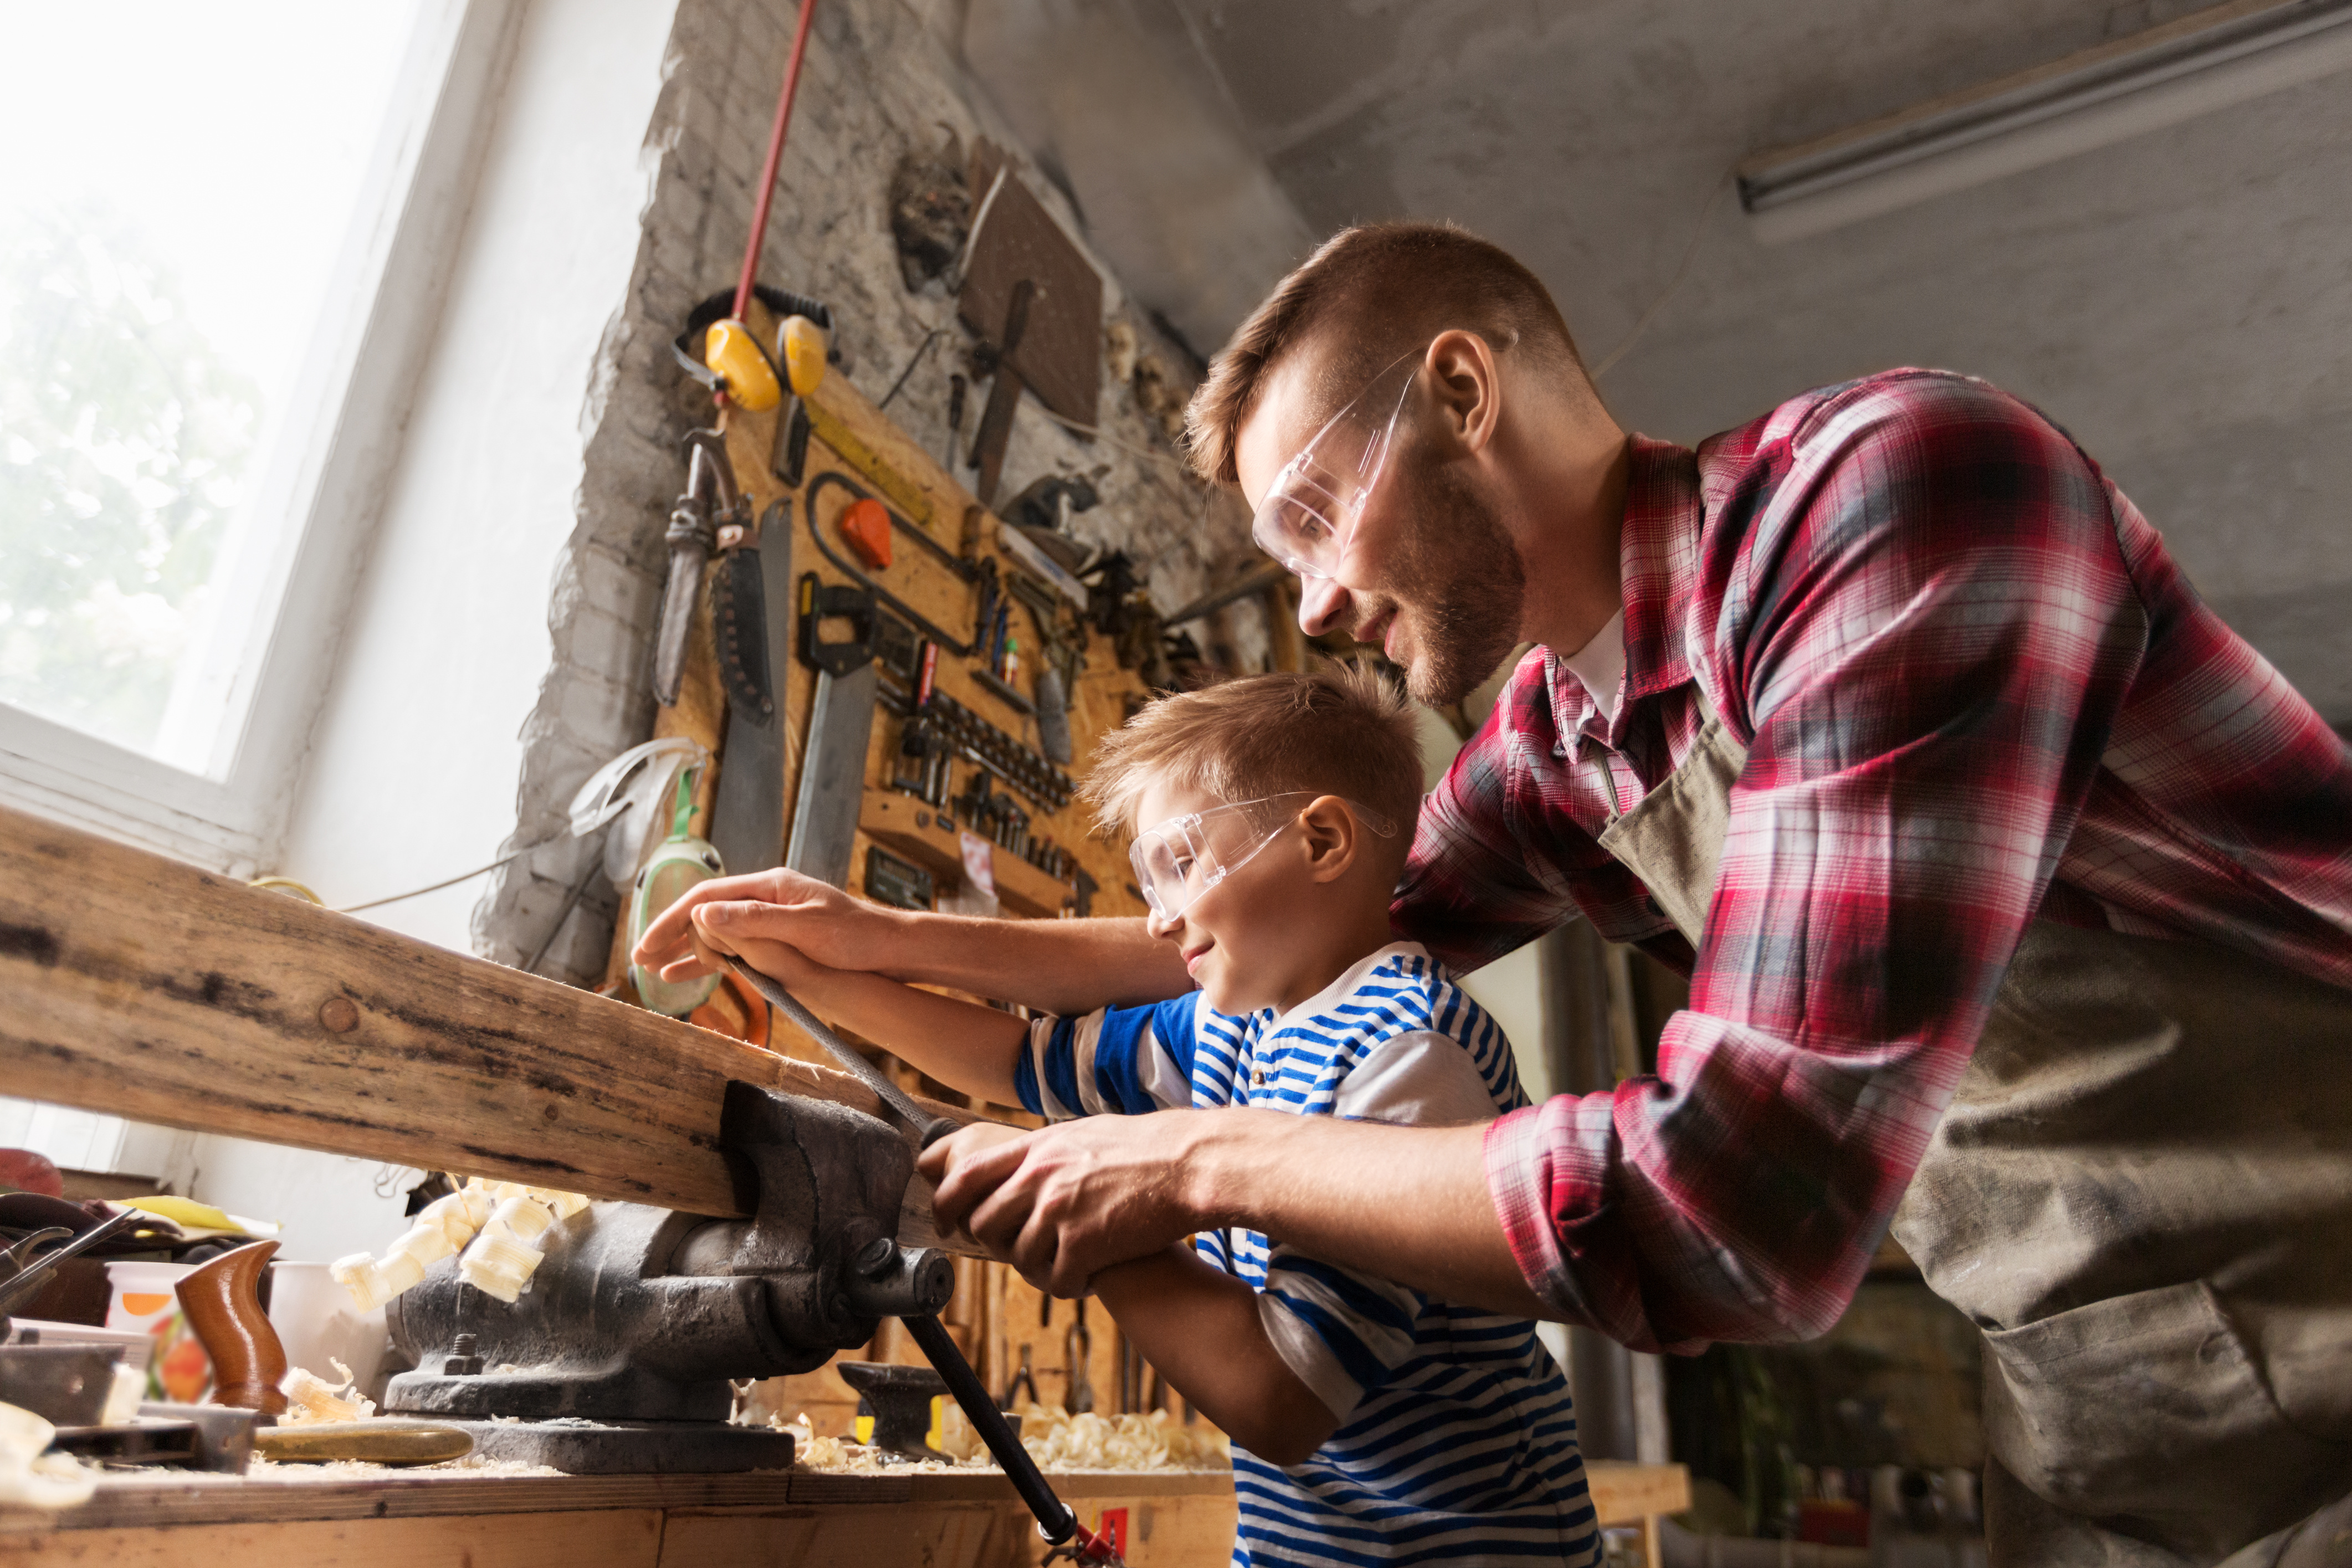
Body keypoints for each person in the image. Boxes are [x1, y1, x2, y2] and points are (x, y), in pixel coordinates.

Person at [639, 222, 2352, 1564]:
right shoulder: (1562, 731)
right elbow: (1266, 938)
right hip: (2101, 1393)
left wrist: (1188, 1157)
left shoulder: (1889, 503)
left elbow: (1736, 1216)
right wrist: (868, 933)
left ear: (1460, 389)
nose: (1310, 603)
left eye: (1314, 514)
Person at [670, 667, 1600, 1566]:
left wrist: (1094, 1228)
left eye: (1180, 863)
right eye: (1149, 880)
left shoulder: (1405, 1055)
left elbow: (1284, 1398)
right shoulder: (1241, 1024)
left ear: (1321, 842)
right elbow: (1012, 1059)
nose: (1156, 920)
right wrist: (809, 971)